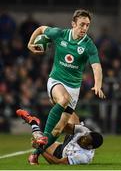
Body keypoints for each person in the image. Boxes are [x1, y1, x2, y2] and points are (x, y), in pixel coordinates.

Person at [27, 9, 105, 157]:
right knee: (63, 99)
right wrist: (30, 43)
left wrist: (98, 84)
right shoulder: (59, 34)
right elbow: (41, 29)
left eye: (87, 25)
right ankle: (43, 134)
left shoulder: (88, 45)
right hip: (56, 80)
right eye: (82, 24)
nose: (84, 28)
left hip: (74, 88)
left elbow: (97, 66)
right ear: (73, 24)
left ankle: (35, 154)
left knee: (58, 129)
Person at [16, 109, 103, 165]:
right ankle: (65, 103)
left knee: (40, 142)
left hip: (61, 153)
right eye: (85, 136)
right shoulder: (84, 132)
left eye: (85, 140)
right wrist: (62, 116)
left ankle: (33, 123)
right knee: (73, 116)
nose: (82, 137)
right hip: (69, 140)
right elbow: (65, 127)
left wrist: (40, 149)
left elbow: (58, 163)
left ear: (89, 147)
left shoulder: (83, 157)